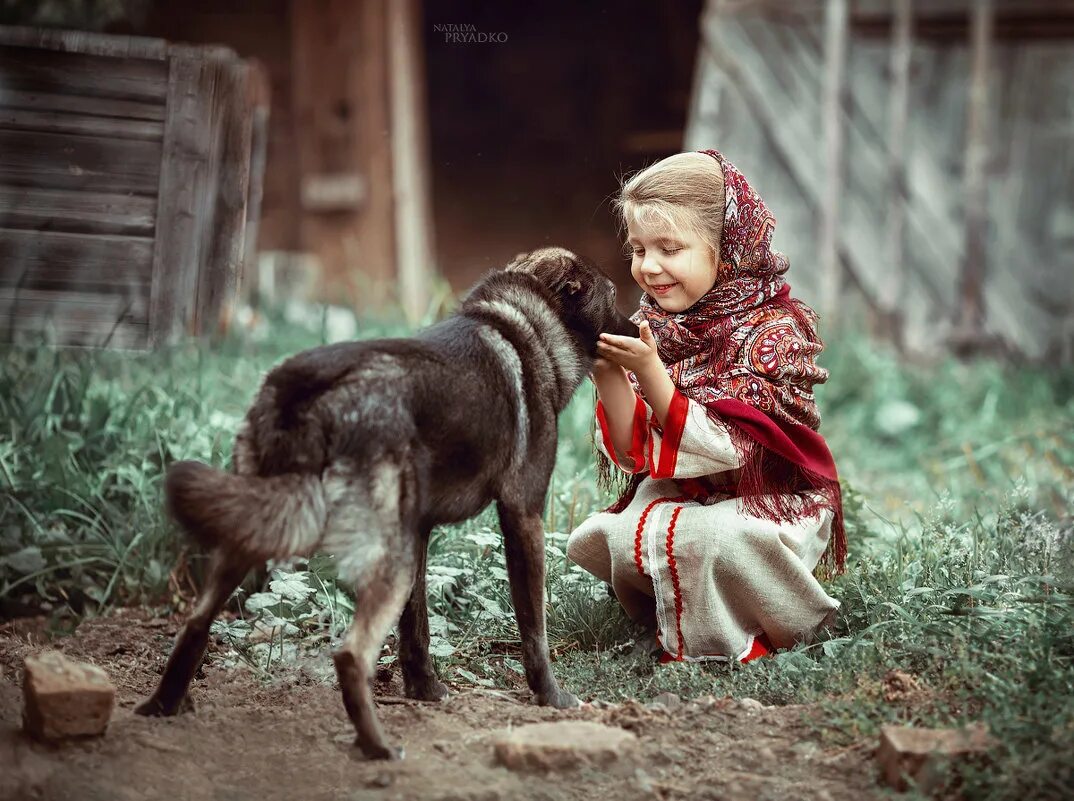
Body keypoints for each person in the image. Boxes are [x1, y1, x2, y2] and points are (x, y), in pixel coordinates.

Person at [566, 149, 845, 664]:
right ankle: (675, 617)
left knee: (717, 539)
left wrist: (651, 374)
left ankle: (753, 632)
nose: (648, 267)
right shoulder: (657, 325)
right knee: (620, 532)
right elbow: (634, 453)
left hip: (767, 499)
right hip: (685, 487)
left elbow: (731, 448)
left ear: (727, 250)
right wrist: (607, 373)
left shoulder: (774, 331)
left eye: (670, 248)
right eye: (638, 249)